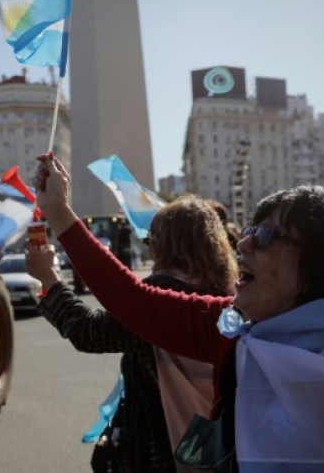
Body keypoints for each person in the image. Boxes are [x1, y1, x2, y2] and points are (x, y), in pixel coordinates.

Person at [32, 153, 324, 472]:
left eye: (265, 236)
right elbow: (133, 301)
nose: (242, 244)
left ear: (321, 263)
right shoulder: (234, 329)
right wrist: (59, 214)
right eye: (246, 232)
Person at [26, 195, 237, 472]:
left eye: (151, 239)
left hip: (159, 449)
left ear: (164, 244)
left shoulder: (164, 292)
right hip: (211, 441)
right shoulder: (227, 291)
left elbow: (89, 332)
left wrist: (48, 278)